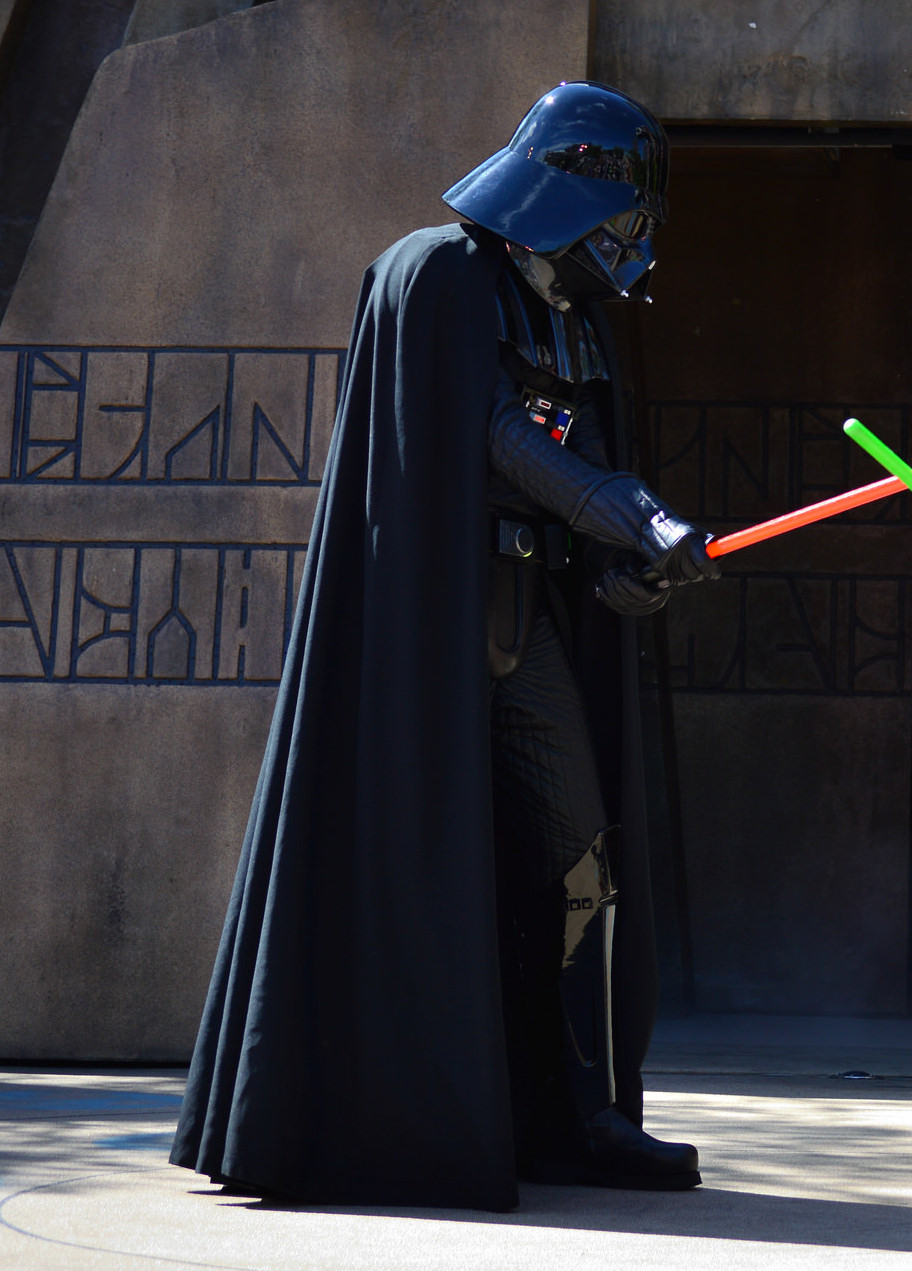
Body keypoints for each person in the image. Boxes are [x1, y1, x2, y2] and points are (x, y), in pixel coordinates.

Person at [170, 82, 718, 1210]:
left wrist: (634, 569)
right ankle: (389, 1117)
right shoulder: (437, 274)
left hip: (528, 623)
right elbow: (489, 433)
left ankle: (581, 1112)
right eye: (624, 212)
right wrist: (619, 507)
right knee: (405, 866)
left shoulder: (575, 311)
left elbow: (578, 463)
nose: (633, 244)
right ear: (580, 196)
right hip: (420, 630)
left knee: (580, 856)